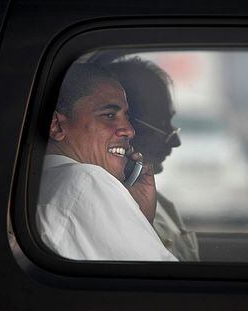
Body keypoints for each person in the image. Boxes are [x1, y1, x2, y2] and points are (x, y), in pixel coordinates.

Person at [36, 63, 177, 261]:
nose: (129, 131)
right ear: (57, 126)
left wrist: (139, 218)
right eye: (109, 115)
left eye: (125, 117)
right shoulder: (85, 180)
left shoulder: (39, 182)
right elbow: (164, 280)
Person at [107, 57, 199, 261]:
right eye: (162, 123)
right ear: (123, 125)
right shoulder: (99, 212)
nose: (175, 142)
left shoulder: (163, 206)